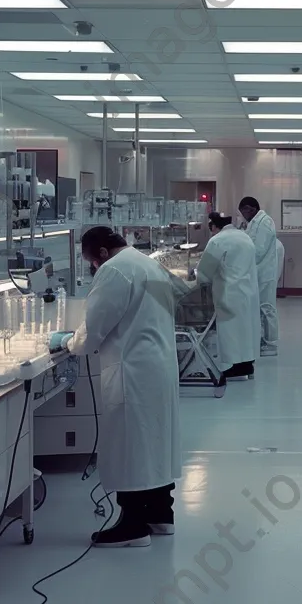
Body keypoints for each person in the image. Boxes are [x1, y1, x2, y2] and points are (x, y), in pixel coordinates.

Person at [62, 226, 181, 547]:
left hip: (135, 371)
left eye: (91, 262)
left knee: (131, 445)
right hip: (159, 365)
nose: (93, 269)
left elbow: (95, 326)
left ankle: (133, 526)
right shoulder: (147, 264)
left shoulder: (115, 270)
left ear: (101, 252)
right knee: (154, 441)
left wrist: (67, 342)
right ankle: (160, 514)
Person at [197, 212, 260, 379]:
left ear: (215, 227)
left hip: (229, 291)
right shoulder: (244, 237)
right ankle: (247, 364)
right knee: (246, 328)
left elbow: (204, 271)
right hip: (248, 289)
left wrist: (193, 275)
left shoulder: (218, 240)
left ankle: (236, 366)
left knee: (231, 330)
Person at [238, 196, 279, 357]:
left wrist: (241, 259)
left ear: (251, 209)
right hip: (258, 272)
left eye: (243, 212)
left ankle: (271, 343)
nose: (243, 216)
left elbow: (258, 250)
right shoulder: (255, 223)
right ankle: (263, 340)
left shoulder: (265, 222)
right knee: (261, 308)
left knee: (267, 307)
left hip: (264, 272)